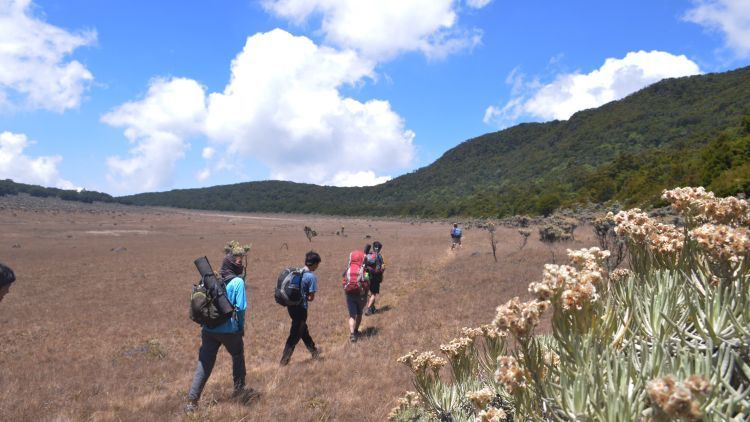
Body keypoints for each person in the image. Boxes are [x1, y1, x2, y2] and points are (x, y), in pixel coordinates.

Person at [186, 242, 256, 412]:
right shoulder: (238, 282)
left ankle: (192, 402)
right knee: (238, 356)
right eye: (238, 263)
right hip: (229, 330)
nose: (240, 265)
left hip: (209, 329)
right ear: (232, 264)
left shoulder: (212, 280)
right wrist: (240, 327)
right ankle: (239, 391)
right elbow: (241, 308)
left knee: (204, 364)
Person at [280, 251, 322, 366]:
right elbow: (311, 297)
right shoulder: (311, 277)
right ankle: (284, 362)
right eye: (317, 264)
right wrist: (305, 296)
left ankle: (314, 352)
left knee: (303, 330)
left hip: (291, 307)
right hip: (301, 309)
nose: (317, 267)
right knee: (294, 335)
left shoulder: (297, 272)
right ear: (314, 264)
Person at [343, 248, 369, 343]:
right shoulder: (364, 270)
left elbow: (344, 282)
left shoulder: (348, 270)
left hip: (349, 295)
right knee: (359, 314)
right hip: (360, 294)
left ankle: (352, 333)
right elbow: (366, 283)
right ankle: (356, 330)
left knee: (351, 316)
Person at [365, 241, 386, 316]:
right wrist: (381, 274)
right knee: (373, 294)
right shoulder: (379, 256)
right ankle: (368, 308)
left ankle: (372, 308)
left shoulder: (368, 254)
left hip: (366, 275)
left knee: (368, 292)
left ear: (373, 247)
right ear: (380, 248)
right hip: (375, 276)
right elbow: (383, 267)